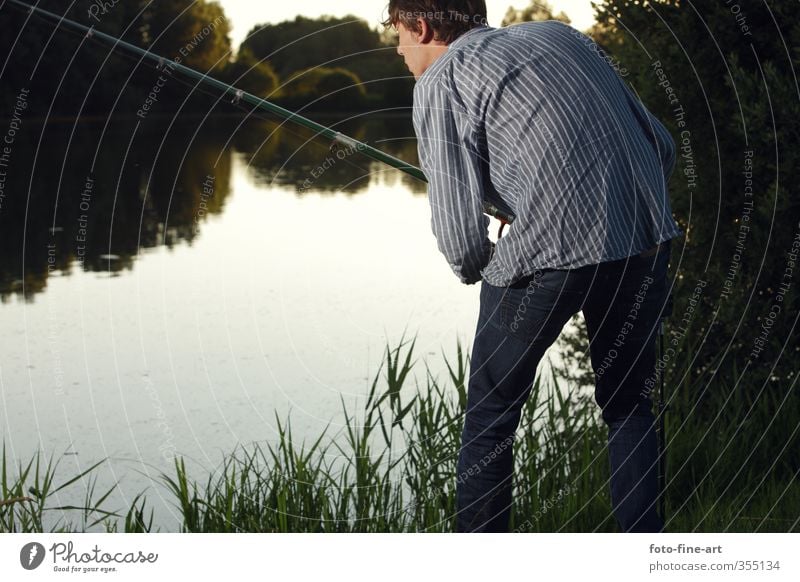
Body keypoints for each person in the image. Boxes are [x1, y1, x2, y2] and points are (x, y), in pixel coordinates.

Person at [384, 0, 683, 533]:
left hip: (546, 260)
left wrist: (491, 258)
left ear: (422, 27)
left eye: (397, 33)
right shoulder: (561, 38)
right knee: (629, 405)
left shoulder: (438, 82)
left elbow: (461, 239)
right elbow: (659, 142)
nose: (399, 48)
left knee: (489, 424)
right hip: (642, 238)